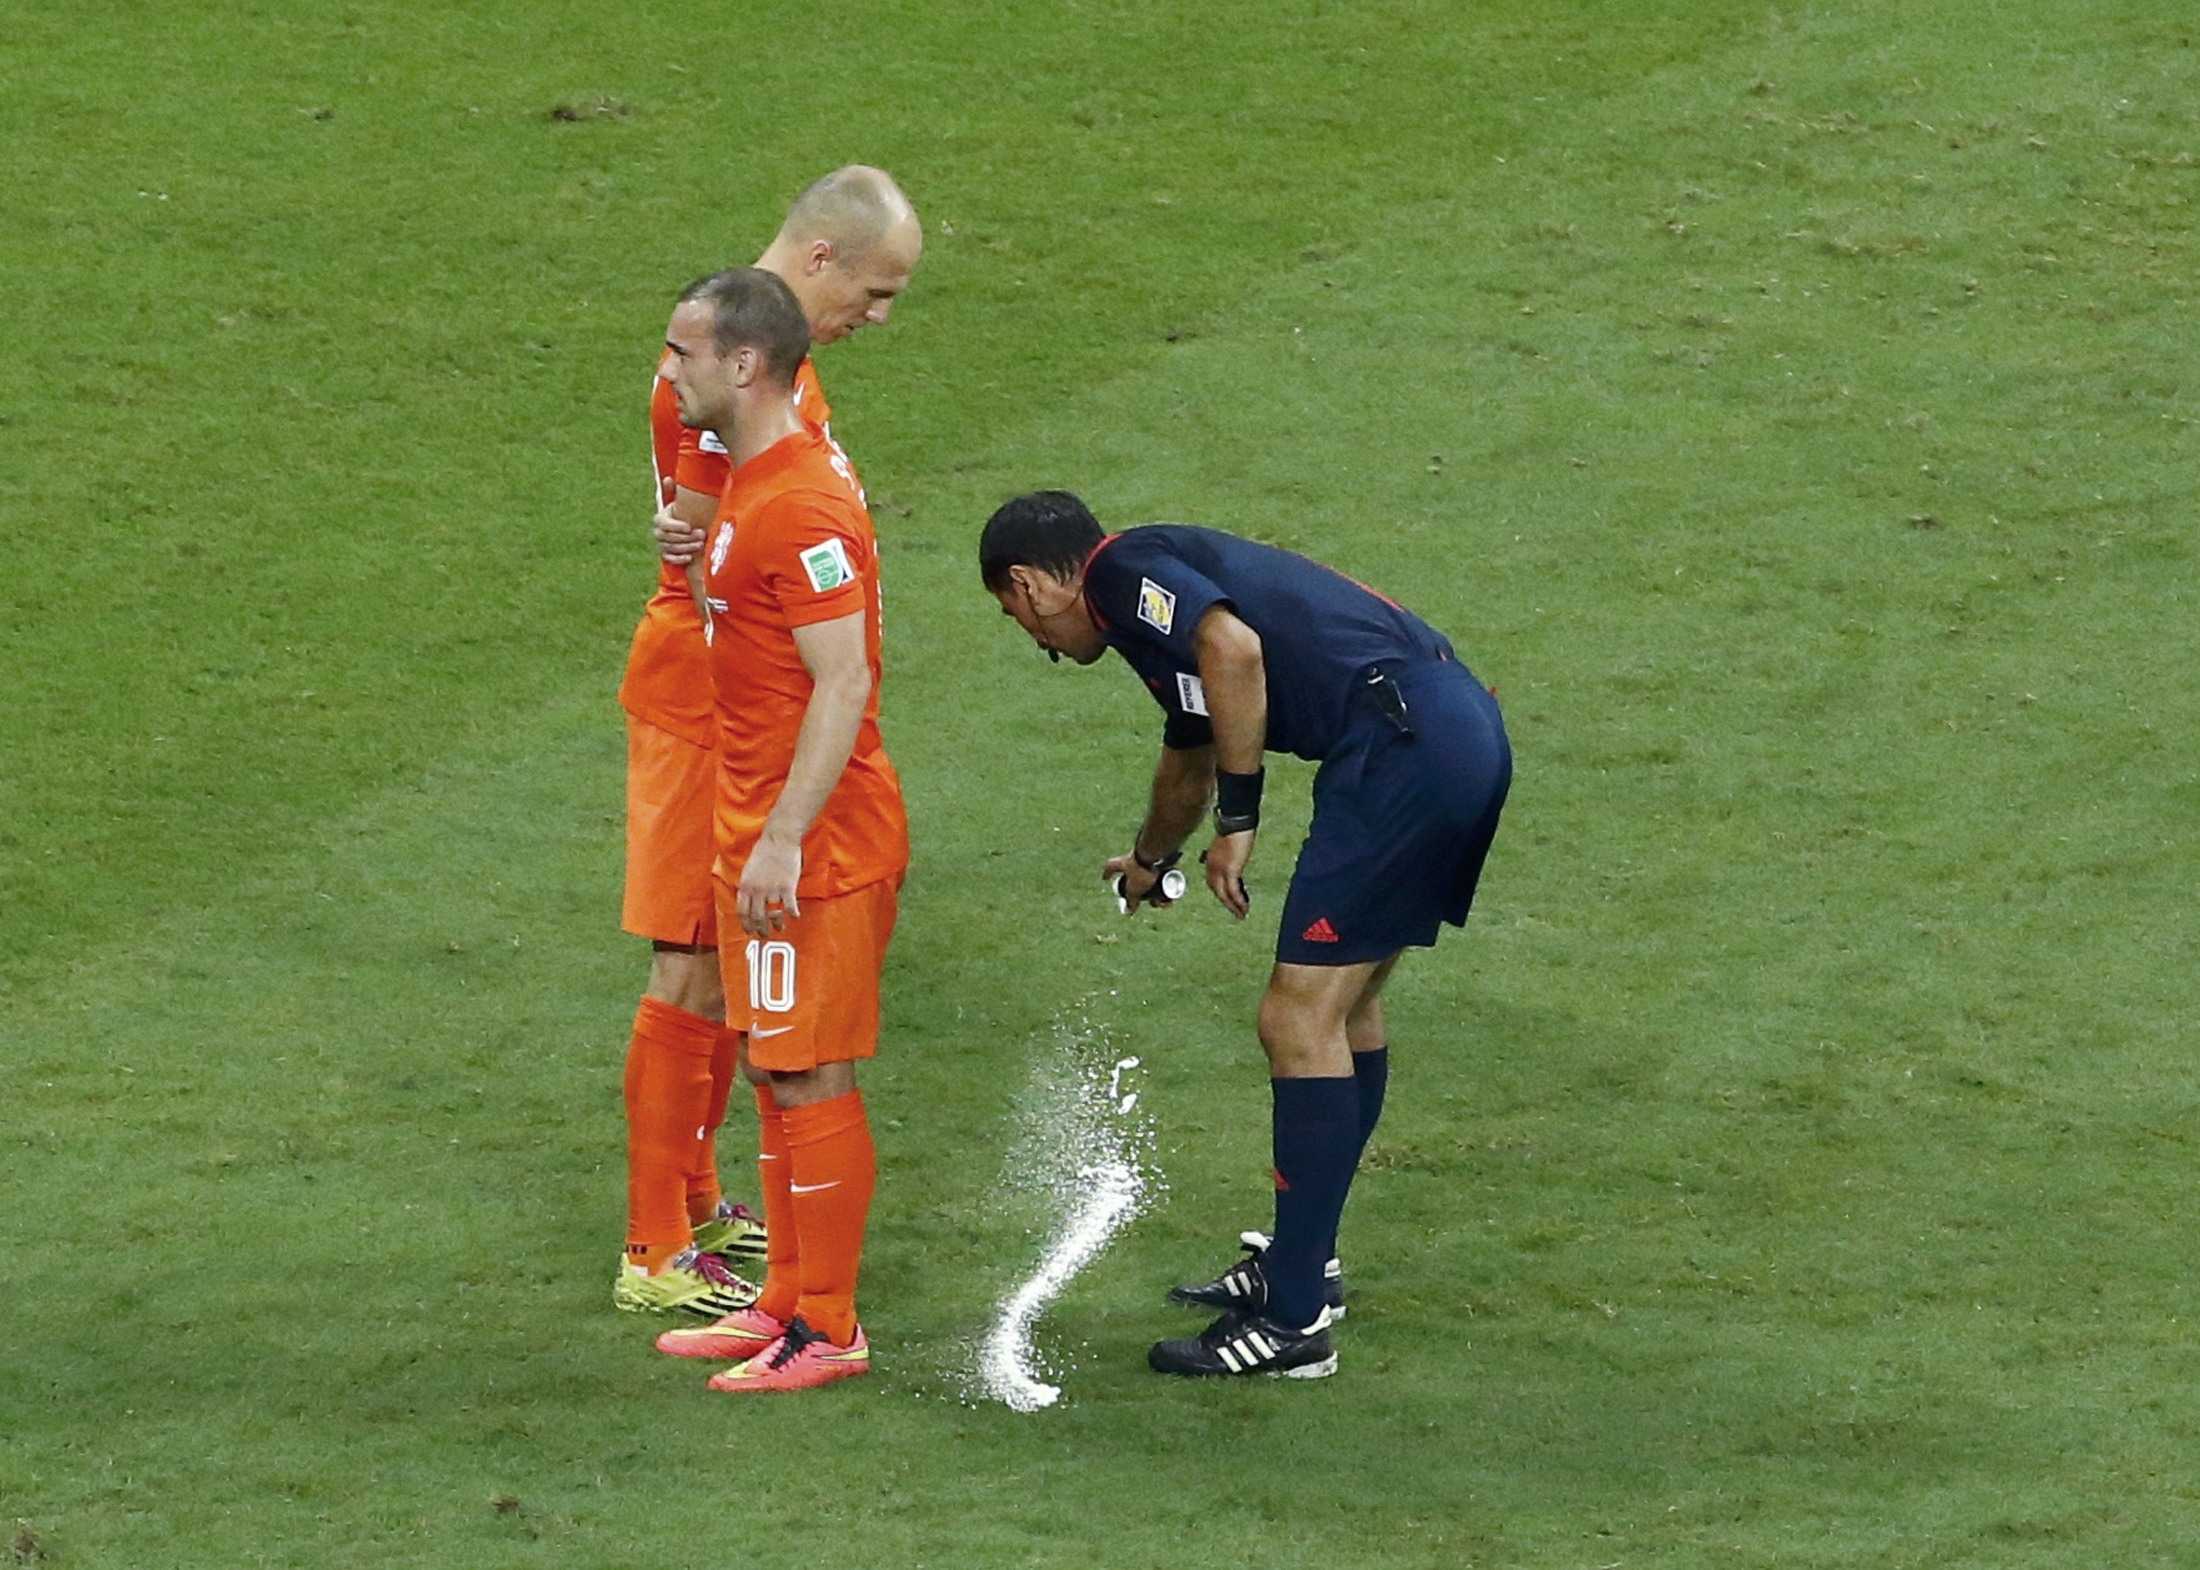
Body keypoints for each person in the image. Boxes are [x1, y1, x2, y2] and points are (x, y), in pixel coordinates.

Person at [978, 491, 1511, 1380]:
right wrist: (1150, 859)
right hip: (1447, 732)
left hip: (1404, 748)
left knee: (1296, 1018)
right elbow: (1190, 749)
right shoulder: (1151, 614)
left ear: (1030, 584)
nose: (1039, 644)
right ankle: (1306, 1263)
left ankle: (1295, 1320)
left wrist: (1241, 817)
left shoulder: (1120, 570)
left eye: (1015, 614)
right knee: (1344, 1010)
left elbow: (1235, 650)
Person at [613, 168, 921, 1315]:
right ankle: (654, 1244)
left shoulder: (751, 362)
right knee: (694, 961)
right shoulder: (720, 368)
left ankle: (696, 1210)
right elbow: (704, 543)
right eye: (874, 292)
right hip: (707, 699)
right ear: (821, 258)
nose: (875, 317)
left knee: (731, 969)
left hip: (738, 696)